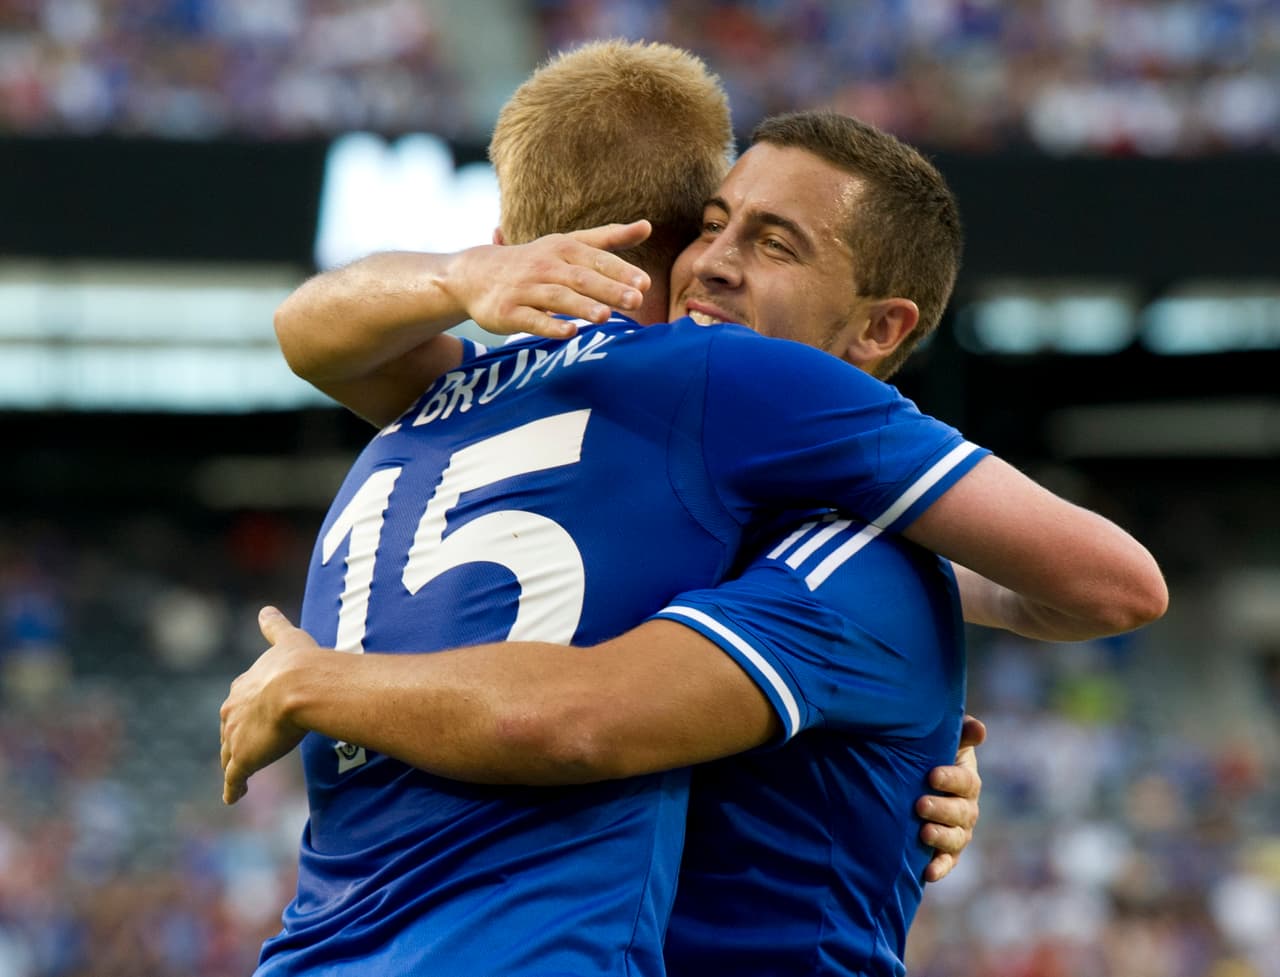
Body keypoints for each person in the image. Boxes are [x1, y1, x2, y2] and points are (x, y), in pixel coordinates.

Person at [224, 42, 1166, 977]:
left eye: (772, 241)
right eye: (713, 224)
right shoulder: (686, 429)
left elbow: (308, 333)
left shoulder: (468, 410)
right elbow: (587, 716)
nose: (715, 262)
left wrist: (920, 660)